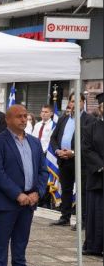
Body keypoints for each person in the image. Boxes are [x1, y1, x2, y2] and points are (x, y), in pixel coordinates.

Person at [0, 105, 48, 266]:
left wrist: (38, 191)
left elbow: (42, 170)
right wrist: (17, 194)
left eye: (25, 117)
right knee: (1, 240)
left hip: (30, 200)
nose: (23, 120)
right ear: (8, 120)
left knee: (22, 240)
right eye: (19, 117)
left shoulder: (34, 142)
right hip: (7, 201)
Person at [49, 92, 95, 227]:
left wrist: (73, 152)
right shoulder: (63, 119)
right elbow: (53, 137)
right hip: (64, 160)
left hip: (81, 162)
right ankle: (65, 217)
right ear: (69, 103)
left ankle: (84, 221)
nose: (75, 104)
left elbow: (89, 142)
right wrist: (58, 150)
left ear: (83, 103)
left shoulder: (89, 120)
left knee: (82, 192)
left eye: (78, 101)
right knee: (66, 189)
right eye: (73, 101)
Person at [82, 93, 103, 256]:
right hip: (97, 177)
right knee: (96, 212)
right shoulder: (90, 128)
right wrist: (101, 166)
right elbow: (86, 149)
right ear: (100, 108)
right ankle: (94, 246)